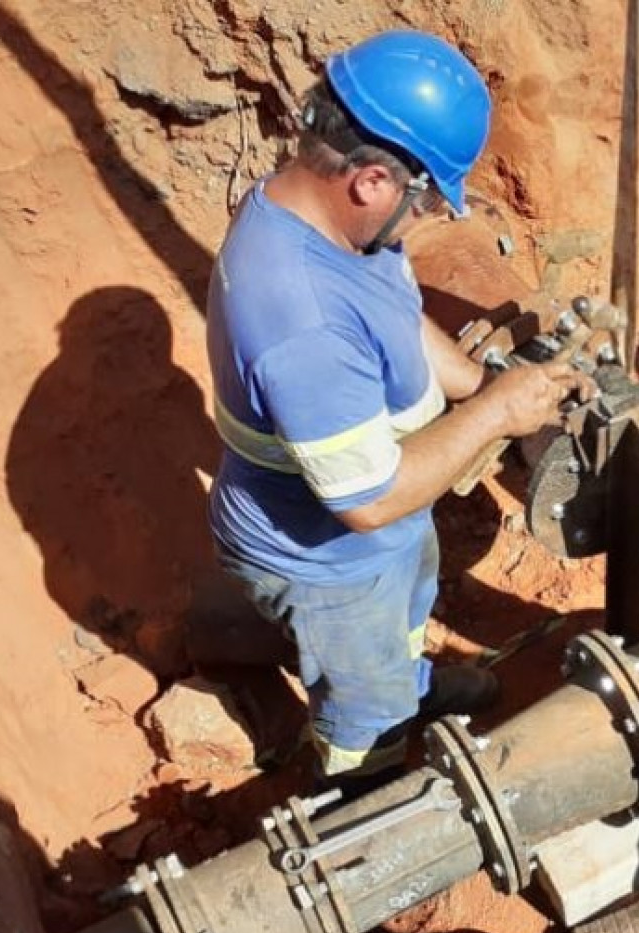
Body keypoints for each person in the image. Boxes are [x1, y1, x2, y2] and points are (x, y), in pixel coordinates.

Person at [204, 31, 588, 784]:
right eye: (427, 204)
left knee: (400, 629)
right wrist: (496, 415)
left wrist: (481, 384)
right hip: (328, 562)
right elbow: (370, 500)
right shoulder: (301, 318)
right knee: (364, 699)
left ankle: (409, 690)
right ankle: (366, 782)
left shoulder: (334, 224)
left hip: (382, 542)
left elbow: (397, 314)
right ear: (372, 180)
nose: (427, 220)